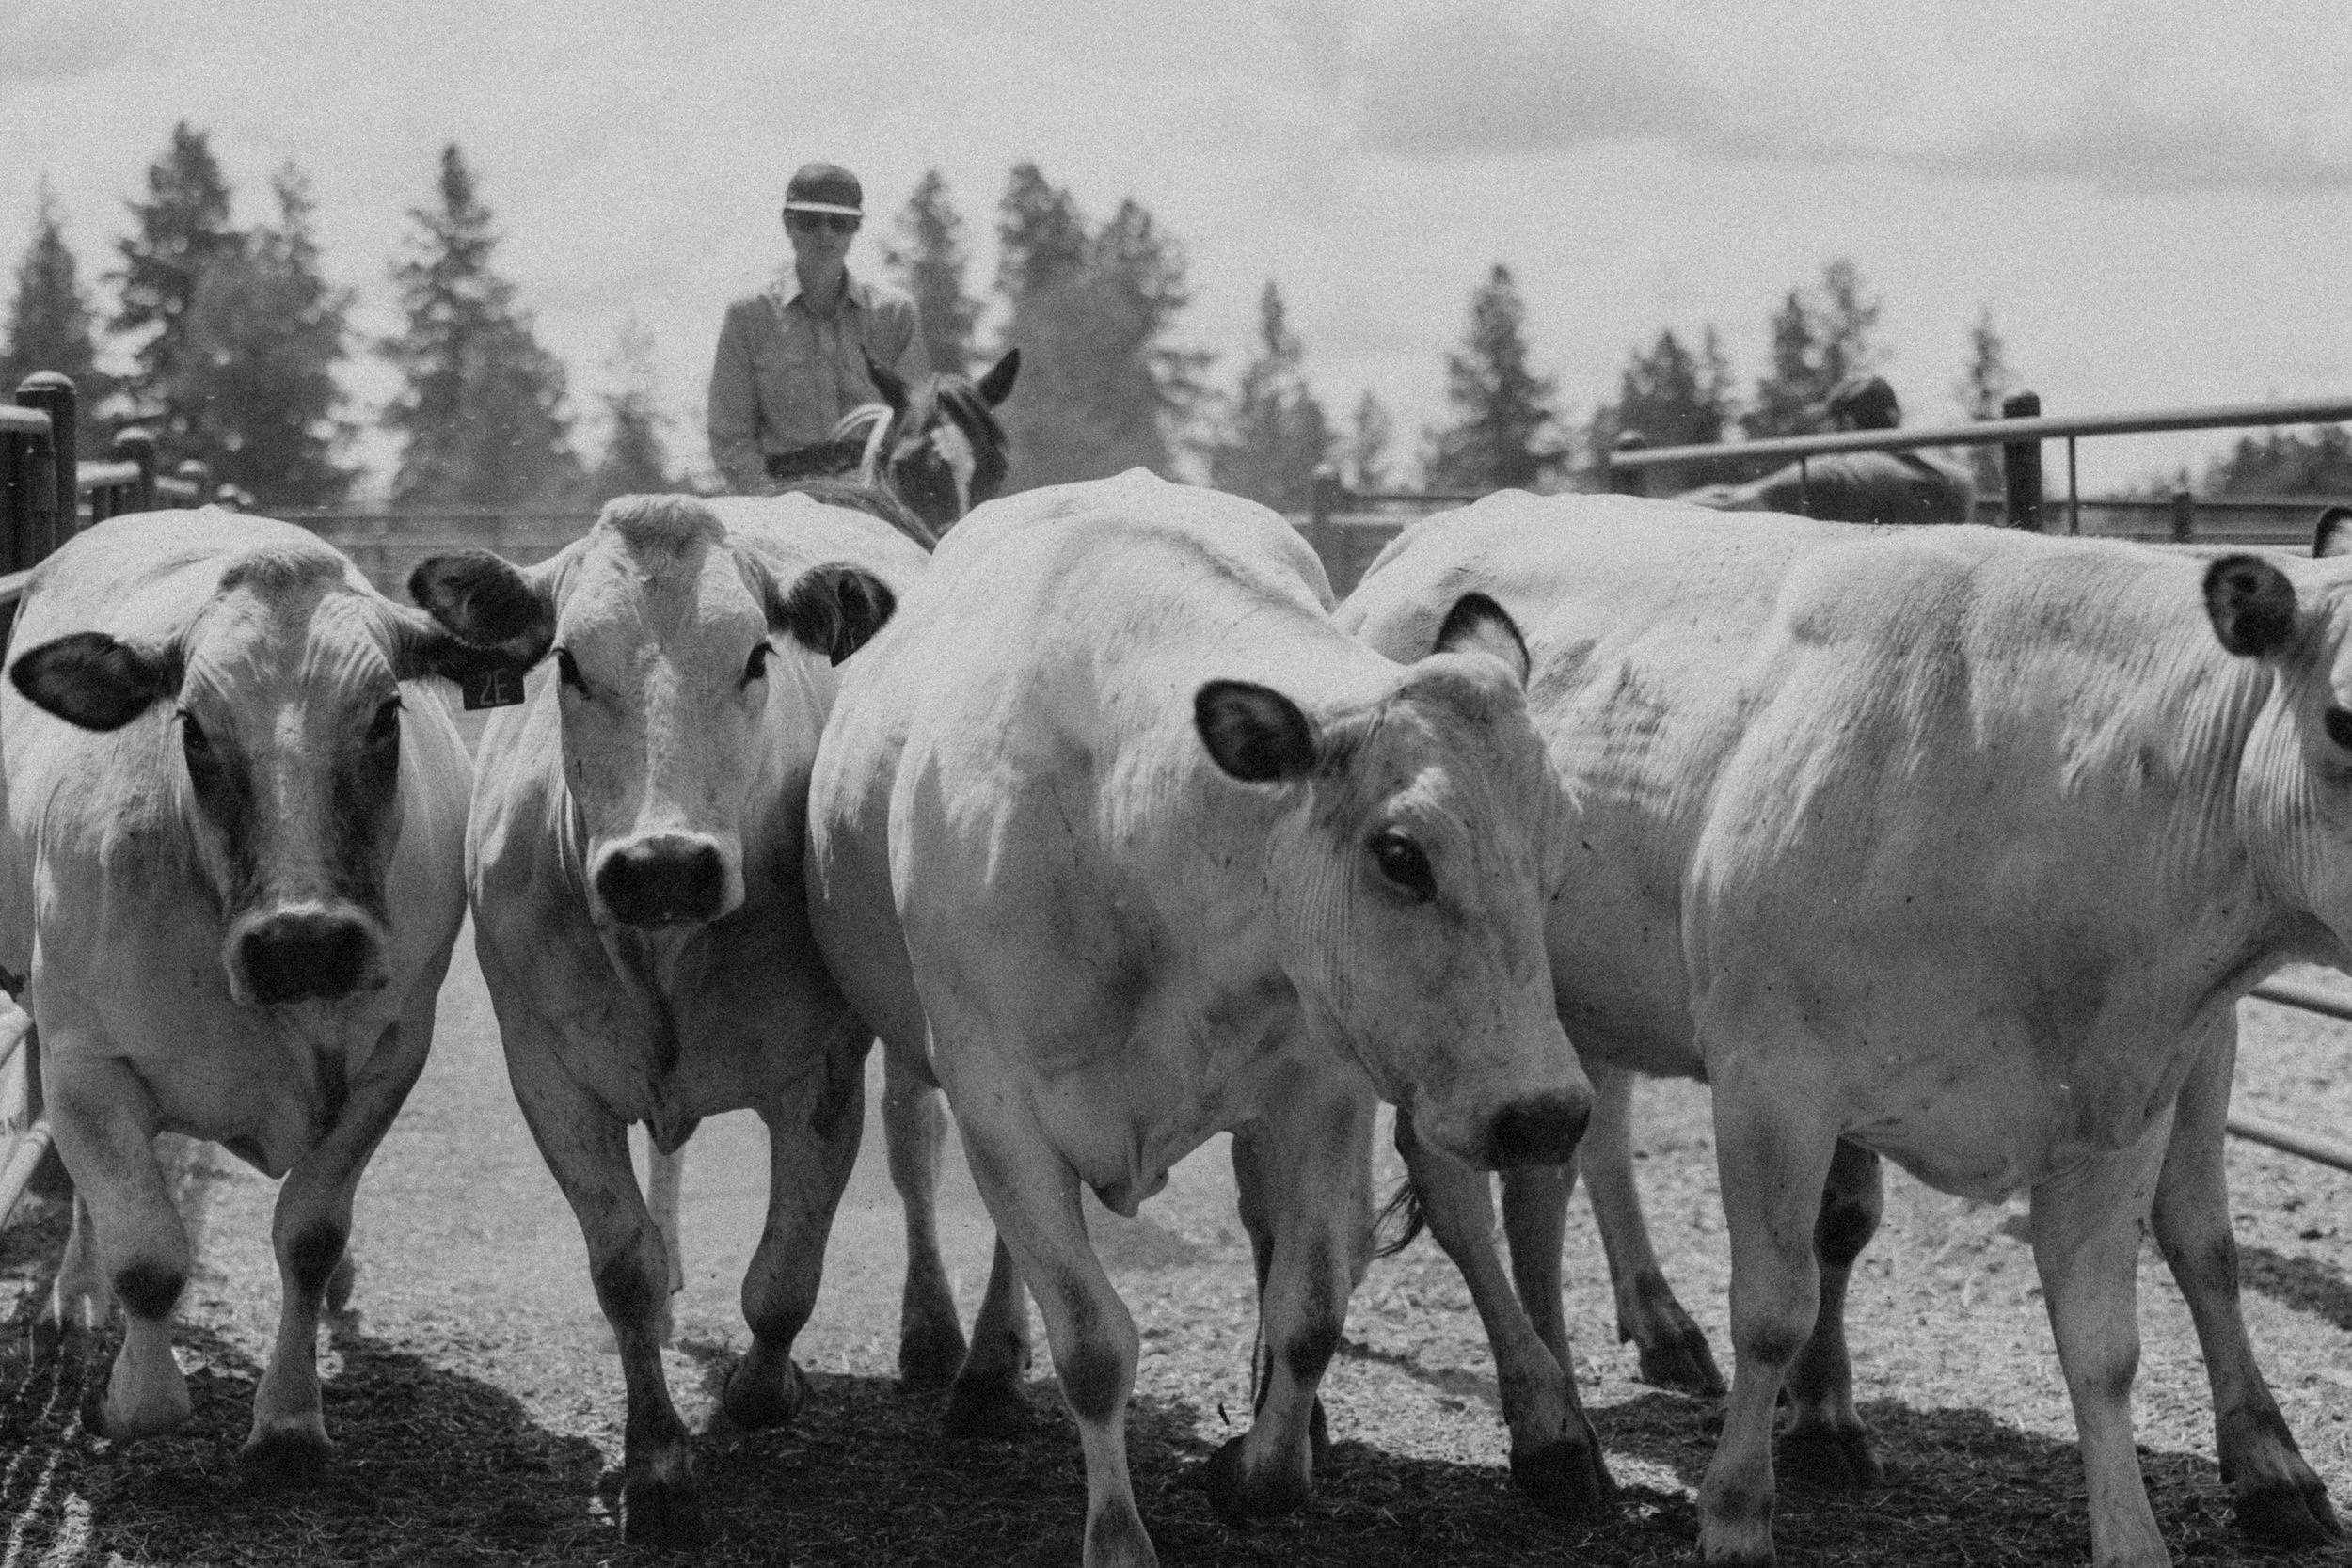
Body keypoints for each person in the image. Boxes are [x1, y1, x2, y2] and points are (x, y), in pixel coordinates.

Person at [707, 162, 932, 494]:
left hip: (877, 498)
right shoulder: (749, 317)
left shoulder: (895, 314)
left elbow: (918, 426)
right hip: (785, 499)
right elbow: (731, 437)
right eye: (810, 221)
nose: (826, 233)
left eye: (840, 222)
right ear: (788, 223)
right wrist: (771, 507)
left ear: (856, 227)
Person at [1678, 373, 1974, 525]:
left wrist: (1653, 508)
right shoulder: (1958, 481)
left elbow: (1730, 500)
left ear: (1846, 423)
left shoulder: (1835, 473)